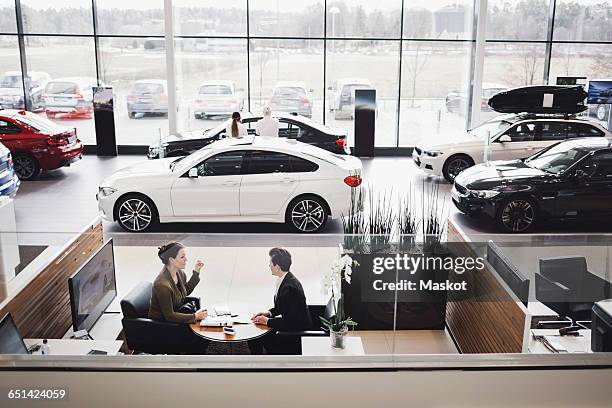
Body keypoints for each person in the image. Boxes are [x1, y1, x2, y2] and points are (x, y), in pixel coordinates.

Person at [249, 248, 312, 354]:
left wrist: (267, 321)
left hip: (293, 334)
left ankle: (260, 363)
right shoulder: (285, 279)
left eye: (270, 263)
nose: (269, 266)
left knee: (254, 338)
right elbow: (283, 307)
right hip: (290, 325)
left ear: (277, 267)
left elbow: (291, 321)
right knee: (256, 331)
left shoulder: (290, 288)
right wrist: (268, 313)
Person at [149, 242, 208, 324]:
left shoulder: (179, 273)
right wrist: (195, 316)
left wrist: (196, 272)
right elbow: (169, 316)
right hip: (163, 325)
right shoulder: (162, 285)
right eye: (182, 257)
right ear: (171, 260)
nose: (186, 259)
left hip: (176, 317)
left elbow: (185, 291)